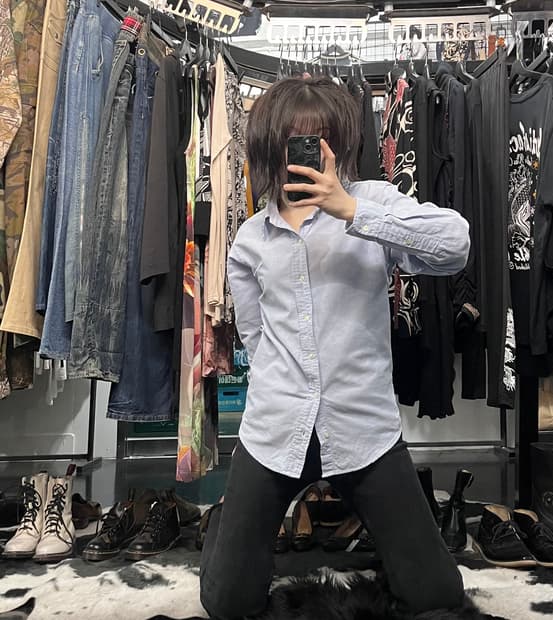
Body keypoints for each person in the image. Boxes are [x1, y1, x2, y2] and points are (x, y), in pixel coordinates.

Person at [200, 77, 470, 619]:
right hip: (275, 430)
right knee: (227, 603)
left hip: (363, 428)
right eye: (295, 141)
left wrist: (352, 211)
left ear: (339, 143)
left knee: (437, 596)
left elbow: (455, 246)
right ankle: (228, 530)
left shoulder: (370, 202)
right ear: (270, 148)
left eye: (320, 139)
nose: (309, 153)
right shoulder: (250, 238)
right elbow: (256, 336)